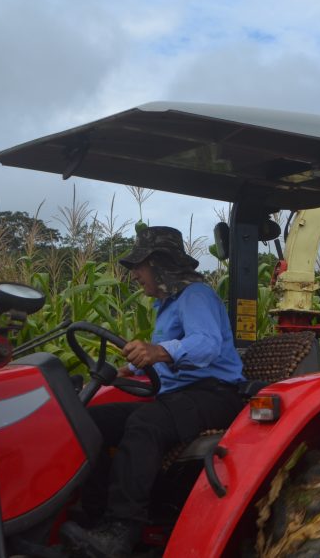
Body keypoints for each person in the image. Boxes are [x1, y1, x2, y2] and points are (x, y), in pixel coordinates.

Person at [61, 226, 246, 558]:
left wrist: (158, 351)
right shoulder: (166, 305)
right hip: (178, 396)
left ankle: (121, 529)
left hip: (214, 394)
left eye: (139, 266)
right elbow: (165, 356)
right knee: (88, 420)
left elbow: (205, 344)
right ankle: (94, 516)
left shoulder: (196, 295)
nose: (134, 275)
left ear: (160, 264)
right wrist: (128, 370)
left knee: (145, 424)